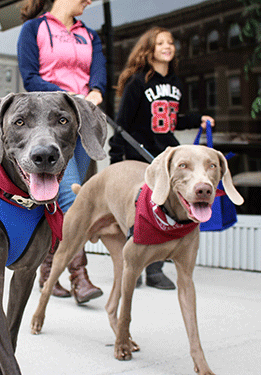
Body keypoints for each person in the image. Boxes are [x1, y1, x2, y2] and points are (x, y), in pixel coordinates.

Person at [109, 26, 215, 290]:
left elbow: (171, 119)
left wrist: (196, 119)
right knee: (144, 212)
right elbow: (122, 124)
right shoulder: (138, 81)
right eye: (160, 43)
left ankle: (155, 270)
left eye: (170, 42)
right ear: (149, 50)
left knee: (168, 210)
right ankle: (135, 268)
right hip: (140, 153)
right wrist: (116, 159)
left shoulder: (176, 83)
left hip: (167, 151)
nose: (167, 47)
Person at [17, 0, 105, 304]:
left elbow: (99, 74)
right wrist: (66, 97)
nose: (90, 1)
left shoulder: (90, 35)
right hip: (49, 126)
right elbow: (30, 78)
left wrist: (95, 92)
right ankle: (80, 277)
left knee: (58, 198)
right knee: (72, 197)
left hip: (83, 125)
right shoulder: (34, 29)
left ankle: (46, 271)